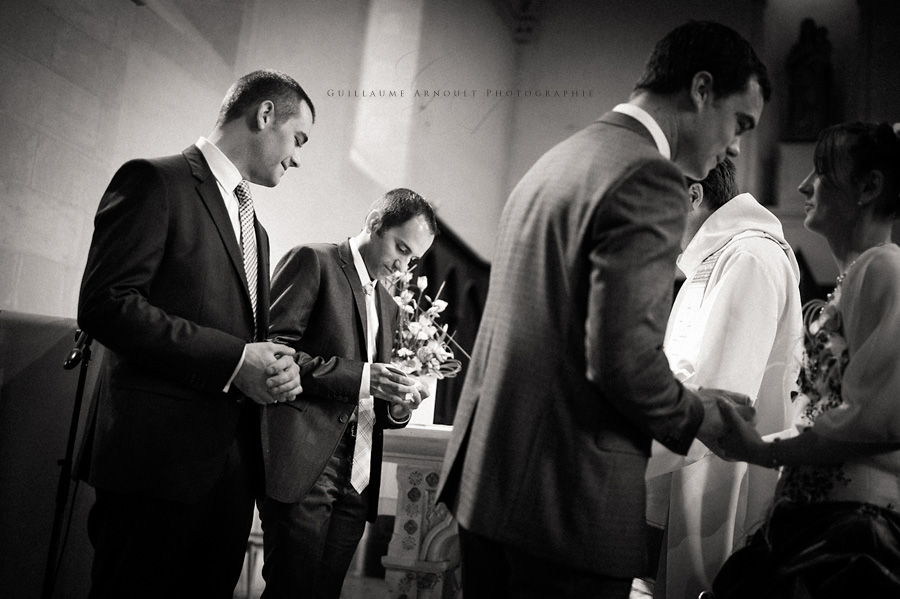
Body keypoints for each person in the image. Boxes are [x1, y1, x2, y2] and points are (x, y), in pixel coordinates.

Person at [436, 20, 771, 599]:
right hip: (565, 504)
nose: (737, 146)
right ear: (700, 89)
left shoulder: (562, 157)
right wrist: (703, 419)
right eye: (739, 122)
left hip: (487, 487)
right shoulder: (650, 175)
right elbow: (622, 358)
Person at [77, 70, 313, 598]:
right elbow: (105, 304)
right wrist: (235, 360)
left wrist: (272, 369)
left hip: (228, 474)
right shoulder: (155, 181)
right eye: (298, 139)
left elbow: (243, 333)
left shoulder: (257, 228)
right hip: (156, 464)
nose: (298, 158)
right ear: (265, 114)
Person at [712, 122, 900, 599]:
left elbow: (872, 422)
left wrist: (761, 449)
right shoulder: (858, 275)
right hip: (818, 512)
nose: (802, 186)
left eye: (821, 171)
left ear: (870, 187)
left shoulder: (884, 269)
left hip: (852, 527)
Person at [259, 188, 437, 599]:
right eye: (401, 248)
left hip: (358, 477)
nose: (403, 265)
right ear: (376, 224)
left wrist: (397, 403)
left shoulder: (389, 306)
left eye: (413, 258)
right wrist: (362, 378)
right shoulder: (314, 261)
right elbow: (274, 354)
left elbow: (375, 390)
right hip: (307, 464)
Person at [642, 158, 803, 598]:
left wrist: (618, 452)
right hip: (684, 469)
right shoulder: (721, 258)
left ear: (693, 196)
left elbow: (721, 406)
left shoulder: (749, 257)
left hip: (717, 487)